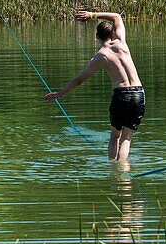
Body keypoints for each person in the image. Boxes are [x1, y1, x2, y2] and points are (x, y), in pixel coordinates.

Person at [44, 10, 145, 163]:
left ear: (97, 36)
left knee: (115, 135)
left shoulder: (99, 57)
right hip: (139, 94)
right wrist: (91, 15)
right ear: (112, 34)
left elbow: (79, 80)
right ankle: (123, 170)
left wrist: (60, 93)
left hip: (121, 95)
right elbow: (116, 16)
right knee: (127, 138)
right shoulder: (121, 43)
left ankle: (114, 170)